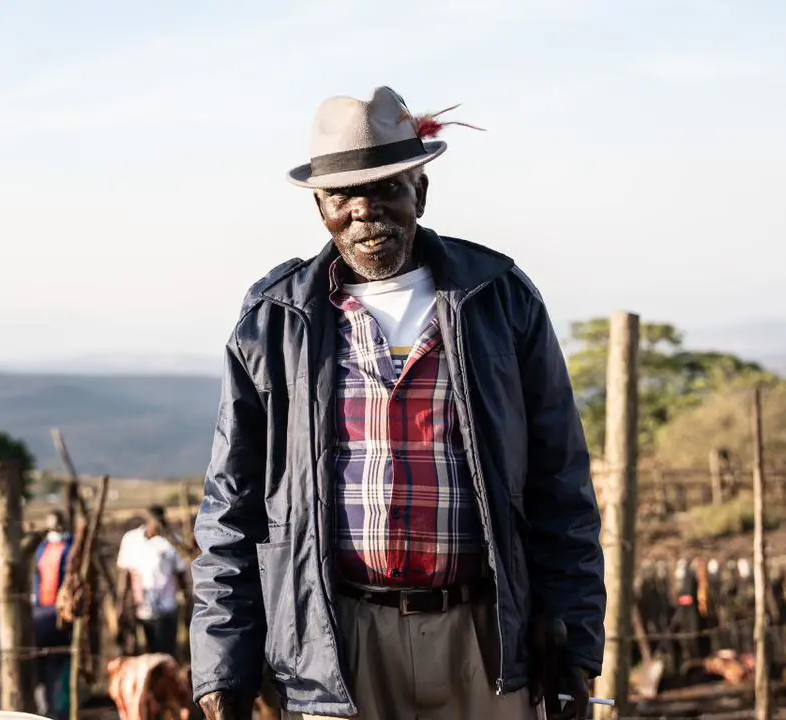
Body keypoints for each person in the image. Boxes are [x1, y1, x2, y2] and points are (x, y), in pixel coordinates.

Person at [190, 87, 605, 720]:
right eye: (342, 197)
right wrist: (223, 666)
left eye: (385, 188)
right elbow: (231, 506)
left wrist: (575, 642)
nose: (364, 211)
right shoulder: (274, 320)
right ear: (320, 208)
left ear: (421, 190)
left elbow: (561, 485)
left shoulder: (498, 299)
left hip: (482, 637)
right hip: (338, 640)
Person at [116, 506, 191, 659]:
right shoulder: (131, 540)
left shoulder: (172, 542)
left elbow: (181, 575)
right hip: (141, 609)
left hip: (167, 609)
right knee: (143, 655)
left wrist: (187, 602)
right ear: (148, 521)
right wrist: (121, 605)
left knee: (165, 656)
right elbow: (125, 575)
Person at [33, 510, 74, 609]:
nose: (54, 531)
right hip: (43, 603)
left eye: (57, 527)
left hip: (64, 604)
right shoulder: (42, 549)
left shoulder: (70, 548)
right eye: (51, 528)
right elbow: (37, 575)